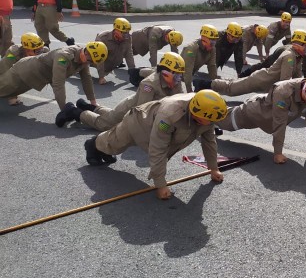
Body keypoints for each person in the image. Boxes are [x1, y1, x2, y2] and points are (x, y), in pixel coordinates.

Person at [84, 90, 228, 200]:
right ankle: (92, 144)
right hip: (138, 124)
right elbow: (158, 148)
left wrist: (213, 168)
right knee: (113, 144)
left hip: (154, 125)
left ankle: (102, 149)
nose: (212, 124)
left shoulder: (206, 113)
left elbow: (209, 141)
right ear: (198, 114)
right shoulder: (170, 115)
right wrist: (160, 185)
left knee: (112, 148)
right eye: (210, 121)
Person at [217, 75, 306, 164]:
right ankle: (205, 113)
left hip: (266, 119)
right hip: (254, 112)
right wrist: (278, 153)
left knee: (225, 115)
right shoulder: (284, 92)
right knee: (224, 122)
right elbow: (279, 122)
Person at [59, 52, 186, 131]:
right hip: (130, 110)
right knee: (104, 125)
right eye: (176, 75)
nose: (179, 79)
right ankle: (75, 111)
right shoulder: (149, 84)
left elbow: (178, 100)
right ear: (165, 73)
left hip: (138, 107)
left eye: (180, 75)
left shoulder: (175, 81)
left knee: (110, 115)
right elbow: (142, 112)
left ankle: (89, 106)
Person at [195, 30, 306, 96]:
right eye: (305, 46)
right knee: (231, 89)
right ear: (297, 44)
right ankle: (203, 84)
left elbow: (297, 77)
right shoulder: (289, 56)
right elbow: (284, 81)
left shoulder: (298, 56)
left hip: (265, 83)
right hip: (260, 80)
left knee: (233, 83)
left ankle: (206, 84)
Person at [0, 41, 107, 113]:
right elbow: (58, 83)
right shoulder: (64, 56)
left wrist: (93, 102)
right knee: (3, 89)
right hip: (23, 71)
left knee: (8, 93)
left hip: (34, 79)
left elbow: (87, 79)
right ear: (87, 52)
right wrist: (64, 110)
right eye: (90, 60)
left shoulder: (84, 60)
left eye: (92, 62)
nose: (89, 63)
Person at [0, 33, 48, 105]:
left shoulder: (43, 51)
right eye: (37, 51)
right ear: (26, 49)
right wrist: (12, 96)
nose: (40, 52)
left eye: (41, 49)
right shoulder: (13, 54)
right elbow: (5, 73)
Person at [94, 18, 135, 85]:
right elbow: (99, 59)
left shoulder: (128, 38)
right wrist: (101, 77)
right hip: (95, 59)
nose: (126, 35)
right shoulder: (102, 38)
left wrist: (132, 71)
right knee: (82, 62)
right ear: (116, 30)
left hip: (112, 64)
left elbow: (129, 53)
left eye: (127, 32)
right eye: (124, 32)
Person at [182, 24, 218, 92]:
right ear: (203, 39)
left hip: (190, 74)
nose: (213, 44)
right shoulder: (191, 49)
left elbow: (212, 66)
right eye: (212, 42)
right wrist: (189, 91)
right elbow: (187, 70)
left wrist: (216, 86)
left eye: (215, 41)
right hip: (177, 75)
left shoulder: (212, 49)